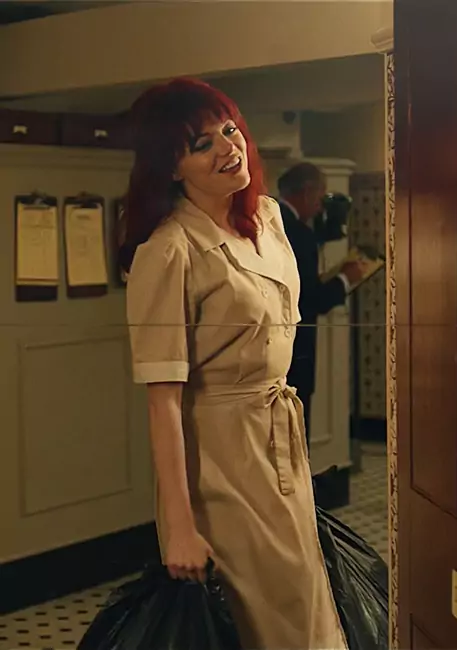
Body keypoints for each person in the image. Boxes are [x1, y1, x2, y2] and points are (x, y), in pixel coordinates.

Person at [123, 78, 347, 650]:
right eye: (202, 144)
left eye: (229, 130)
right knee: (262, 622)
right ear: (171, 168)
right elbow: (163, 402)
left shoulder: (268, 218)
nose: (228, 147)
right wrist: (179, 528)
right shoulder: (169, 251)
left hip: (279, 440)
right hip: (219, 462)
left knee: (305, 606)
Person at [277, 163, 365, 448]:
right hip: (298, 347)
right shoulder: (300, 235)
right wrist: (345, 279)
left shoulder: (272, 224)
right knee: (296, 431)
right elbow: (310, 299)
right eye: (319, 196)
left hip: (272, 348)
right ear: (307, 192)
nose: (319, 207)